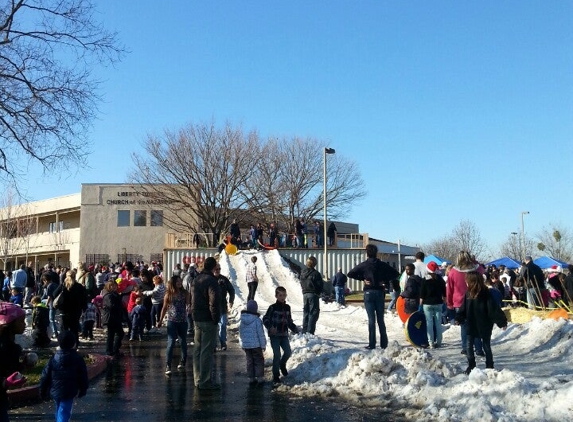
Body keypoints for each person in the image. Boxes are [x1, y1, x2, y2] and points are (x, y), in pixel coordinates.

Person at [348, 244, 399, 350]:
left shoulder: (364, 265)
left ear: (367, 253)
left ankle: (372, 343)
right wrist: (384, 280)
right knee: (381, 319)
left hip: (368, 292)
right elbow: (395, 273)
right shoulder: (382, 264)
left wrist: (362, 278)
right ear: (376, 253)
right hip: (380, 292)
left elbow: (350, 273)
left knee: (371, 319)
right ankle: (384, 343)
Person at [456, 271, 508, 374]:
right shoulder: (468, 293)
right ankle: (472, 365)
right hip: (473, 323)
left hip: (483, 324)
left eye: (467, 281)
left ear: (472, 282)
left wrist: (501, 322)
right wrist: (459, 318)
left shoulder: (485, 293)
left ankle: (489, 365)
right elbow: (463, 308)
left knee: (484, 345)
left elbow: (493, 309)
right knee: (470, 345)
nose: (466, 283)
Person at [40, 330, 88, 422]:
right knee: (64, 411)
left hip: (55, 389)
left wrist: (43, 389)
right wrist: (83, 388)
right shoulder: (77, 358)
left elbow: (45, 375)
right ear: (74, 343)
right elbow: (83, 375)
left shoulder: (53, 358)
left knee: (59, 407)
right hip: (69, 390)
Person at [447, 251, 485, 356]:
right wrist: (475, 261)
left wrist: (449, 302)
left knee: (464, 326)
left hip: (459, 302)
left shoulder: (453, 272)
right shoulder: (476, 269)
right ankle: (478, 349)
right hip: (475, 300)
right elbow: (483, 270)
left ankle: (465, 347)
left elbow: (449, 289)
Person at [191, 257, 221, 390]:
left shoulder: (196, 279)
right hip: (208, 318)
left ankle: (197, 378)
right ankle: (204, 380)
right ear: (214, 267)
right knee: (206, 350)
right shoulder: (211, 281)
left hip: (197, 317)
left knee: (197, 349)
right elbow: (213, 302)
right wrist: (215, 318)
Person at [263, 286, 298, 385]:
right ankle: (275, 375)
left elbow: (289, 321)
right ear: (276, 296)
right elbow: (265, 319)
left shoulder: (287, 308)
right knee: (277, 354)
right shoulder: (272, 307)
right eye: (280, 295)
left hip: (284, 334)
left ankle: (282, 364)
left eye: (284, 295)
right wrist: (270, 327)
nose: (283, 297)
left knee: (288, 352)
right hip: (274, 335)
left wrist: (295, 328)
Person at [0, 303, 28, 421]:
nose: (25, 325)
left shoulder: (13, 348)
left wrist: (23, 365)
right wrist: (4, 382)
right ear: (9, 323)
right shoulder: (2, 348)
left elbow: (10, 371)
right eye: (21, 321)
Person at [158, 275, 189, 375]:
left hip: (183, 321)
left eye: (180, 281)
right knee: (171, 342)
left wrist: (190, 308)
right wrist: (160, 320)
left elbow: (189, 304)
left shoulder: (185, 293)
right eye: (177, 282)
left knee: (183, 341)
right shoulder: (169, 294)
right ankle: (168, 365)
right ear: (173, 283)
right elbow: (164, 308)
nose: (179, 283)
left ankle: (183, 361)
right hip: (172, 321)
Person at [54, 270, 87, 348]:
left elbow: (54, 294)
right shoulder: (79, 286)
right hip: (76, 311)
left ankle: (63, 345)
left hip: (64, 310)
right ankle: (75, 345)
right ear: (75, 276)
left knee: (64, 329)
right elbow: (83, 298)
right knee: (74, 329)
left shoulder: (63, 285)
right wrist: (84, 308)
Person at [239, 300, 267, 385]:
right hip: (256, 345)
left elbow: (241, 333)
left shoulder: (242, 320)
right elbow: (260, 334)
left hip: (247, 346)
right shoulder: (257, 320)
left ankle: (251, 377)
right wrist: (263, 344)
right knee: (258, 360)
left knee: (250, 361)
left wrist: (243, 343)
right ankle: (259, 377)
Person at [420, 261, 446, 348]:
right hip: (438, 303)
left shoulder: (425, 279)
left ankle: (431, 343)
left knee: (429, 323)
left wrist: (420, 303)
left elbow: (422, 293)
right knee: (438, 323)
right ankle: (439, 342)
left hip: (427, 304)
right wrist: (444, 298)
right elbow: (444, 291)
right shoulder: (439, 279)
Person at [299, 257, 323, 335]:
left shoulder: (302, 272)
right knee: (313, 313)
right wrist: (318, 292)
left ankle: (304, 330)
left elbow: (301, 283)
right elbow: (320, 285)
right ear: (314, 263)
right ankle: (310, 332)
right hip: (313, 294)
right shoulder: (316, 274)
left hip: (305, 294)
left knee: (306, 312)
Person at [214, 264, 235, 351]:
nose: (217, 270)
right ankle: (214, 344)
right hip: (213, 307)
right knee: (214, 326)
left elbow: (231, 290)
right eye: (216, 269)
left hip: (222, 306)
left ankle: (223, 342)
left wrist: (231, 301)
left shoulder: (224, 279)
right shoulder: (210, 279)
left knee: (223, 325)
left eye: (219, 269)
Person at [101, 280, 124, 358]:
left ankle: (113, 350)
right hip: (111, 317)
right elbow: (111, 306)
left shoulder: (114, 294)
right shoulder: (108, 295)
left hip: (115, 317)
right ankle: (111, 350)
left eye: (115, 285)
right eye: (112, 286)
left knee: (117, 334)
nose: (114, 287)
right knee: (113, 334)